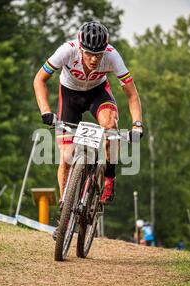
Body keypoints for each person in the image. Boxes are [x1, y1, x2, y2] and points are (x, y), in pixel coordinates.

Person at [33, 21, 143, 210]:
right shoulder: (66, 51)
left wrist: (137, 124)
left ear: (105, 50)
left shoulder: (112, 56)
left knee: (110, 127)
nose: (94, 59)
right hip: (70, 96)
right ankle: (65, 208)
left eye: (98, 54)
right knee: (66, 156)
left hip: (97, 94)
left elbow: (132, 94)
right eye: (90, 53)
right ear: (80, 47)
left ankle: (109, 176)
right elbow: (39, 79)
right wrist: (45, 111)